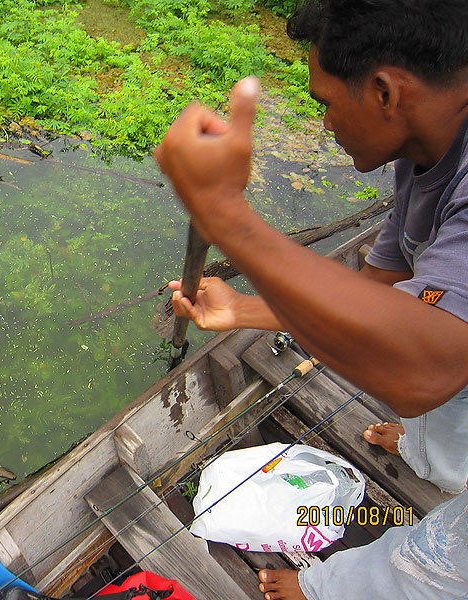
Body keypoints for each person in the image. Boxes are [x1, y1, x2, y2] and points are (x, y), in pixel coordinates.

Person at [153, 1, 468, 599]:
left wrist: (227, 217)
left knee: (442, 559)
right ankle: (434, 457)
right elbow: (383, 293)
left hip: (447, 359)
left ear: (383, 92)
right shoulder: (430, 153)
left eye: (324, 102)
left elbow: (424, 371)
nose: (324, 124)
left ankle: (326, 590)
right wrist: (243, 311)